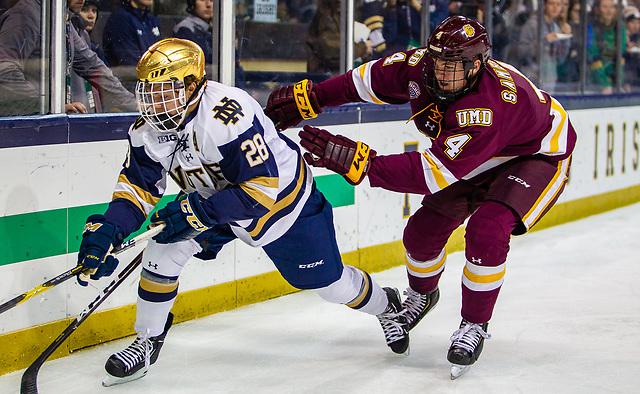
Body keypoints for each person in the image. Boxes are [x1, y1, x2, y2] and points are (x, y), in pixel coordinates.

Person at [76, 38, 410, 386]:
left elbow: (260, 188)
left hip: (283, 208)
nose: (154, 102)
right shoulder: (147, 131)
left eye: (166, 90)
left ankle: (386, 305)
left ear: (192, 85)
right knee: (163, 248)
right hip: (215, 205)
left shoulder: (225, 114)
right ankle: (147, 339)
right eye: (149, 91)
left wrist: (196, 213)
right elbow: (138, 186)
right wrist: (110, 230)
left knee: (331, 286)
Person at [265, 15, 576, 378]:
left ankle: (474, 323)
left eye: (454, 66)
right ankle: (423, 295)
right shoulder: (418, 66)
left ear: (477, 65)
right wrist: (312, 99)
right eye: (438, 62)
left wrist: (362, 163)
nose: (442, 73)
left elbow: (431, 174)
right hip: (478, 154)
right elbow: (362, 82)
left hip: (534, 156)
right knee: (420, 233)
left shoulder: (487, 108)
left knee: (487, 231)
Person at [0, 0, 136, 115]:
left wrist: (136, 106)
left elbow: (93, 66)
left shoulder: (59, 17)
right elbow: (4, 71)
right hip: (21, 126)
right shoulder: (26, 15)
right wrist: (48, 106)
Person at [102, 0, 161, 89]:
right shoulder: (120, 19)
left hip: (153, 85)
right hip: (130, 88)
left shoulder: (152, 20)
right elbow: (130, 63)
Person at [515, 0, 571, 93]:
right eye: (551, 3)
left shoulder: (556, 27)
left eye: (558, 4)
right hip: (532, 80)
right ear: (545, 5)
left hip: (550, 81)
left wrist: (566, 40)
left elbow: (560, 58)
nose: (555, 7)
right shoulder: (532, 25)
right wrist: (543, 42)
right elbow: (521, 52)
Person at [306, 0, 374, 73]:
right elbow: (332, 52)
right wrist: (362, 48)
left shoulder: (347, 15)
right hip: (328, 76)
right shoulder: (327, 17)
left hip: (342, 74)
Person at [587, 0, 626, 94]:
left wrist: (619, 84)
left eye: (612, 7)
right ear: (597, 9)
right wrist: (604, 84)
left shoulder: (620, 27)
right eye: (605, 7)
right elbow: (593, 57)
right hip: (594, 82)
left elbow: (621, 57)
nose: (609, 10)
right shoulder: (590, 27)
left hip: (614, 79)